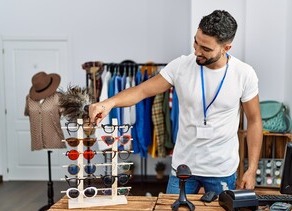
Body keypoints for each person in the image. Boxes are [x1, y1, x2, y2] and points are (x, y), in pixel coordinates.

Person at [89, 10, 263, 194]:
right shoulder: (181, 66)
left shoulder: (244, 74)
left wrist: (251, 169)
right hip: (183, 168)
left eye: (206, 49)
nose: (196, 51)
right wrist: (108, 103)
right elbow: (141, 91)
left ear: (226, 48)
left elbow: (254, 121)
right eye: (196, 41)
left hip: (222, 170)